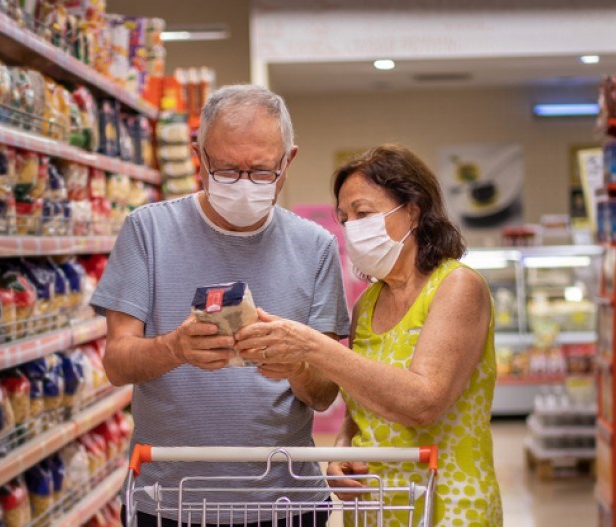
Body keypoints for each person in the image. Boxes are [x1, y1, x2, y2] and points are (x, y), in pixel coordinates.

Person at [91, 84, 350, 527]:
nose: (244, 185)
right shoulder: (147, 231)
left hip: (286, 501)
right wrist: (175, 348)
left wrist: (293, 362)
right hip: (170, 500)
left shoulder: (317, 246)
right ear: (199, 155)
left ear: (288, 160)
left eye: (262, 171)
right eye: (227, 170)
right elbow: (117, 363)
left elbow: (324, 395)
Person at [235, 144, 502, 526]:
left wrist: (314, 345)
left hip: (445, 503)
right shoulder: (368, 305)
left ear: (413, 210)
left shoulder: (457, 287)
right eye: (345, 219)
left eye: (364, 213)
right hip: (373, 506)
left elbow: (423, 402)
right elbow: (362, 408)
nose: (353, 229)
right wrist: (342, 449)